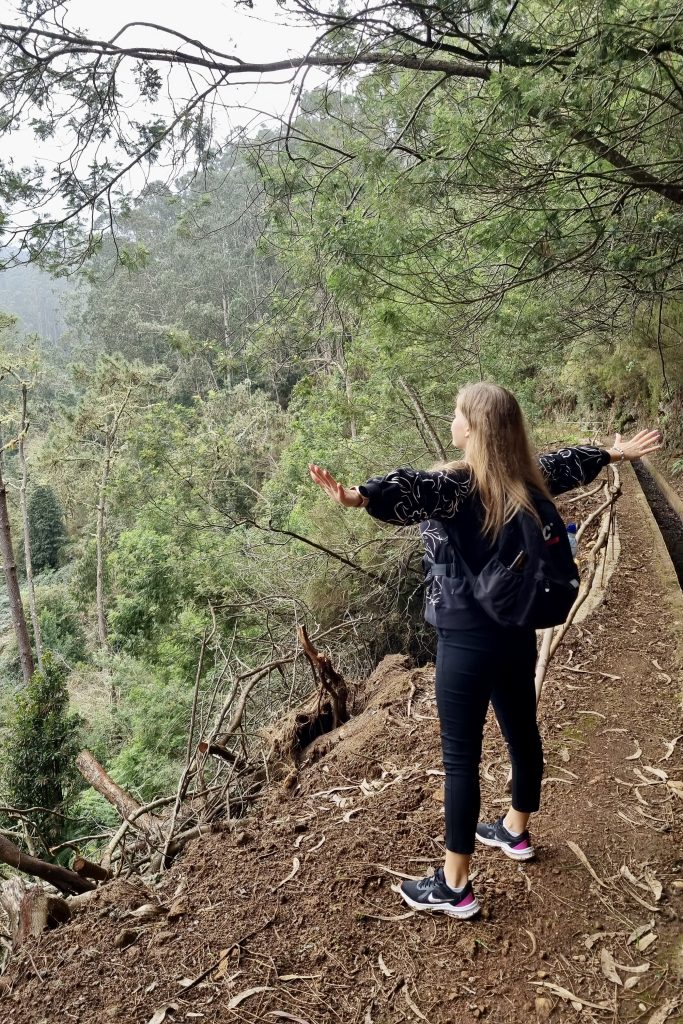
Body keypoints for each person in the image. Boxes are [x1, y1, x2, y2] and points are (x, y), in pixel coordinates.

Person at [309, 382, 662, 919]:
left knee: (460, 760)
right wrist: (614, 452)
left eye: (456, 415)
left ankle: (454, 887)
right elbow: (569, 462)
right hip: (516, 632)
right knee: (522, 731)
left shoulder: (456, 487)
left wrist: (358, 496)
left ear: (471, 429)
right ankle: (515, 831)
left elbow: (411, 490)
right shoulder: (526, 476)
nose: (451, 422)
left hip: (465, 640)